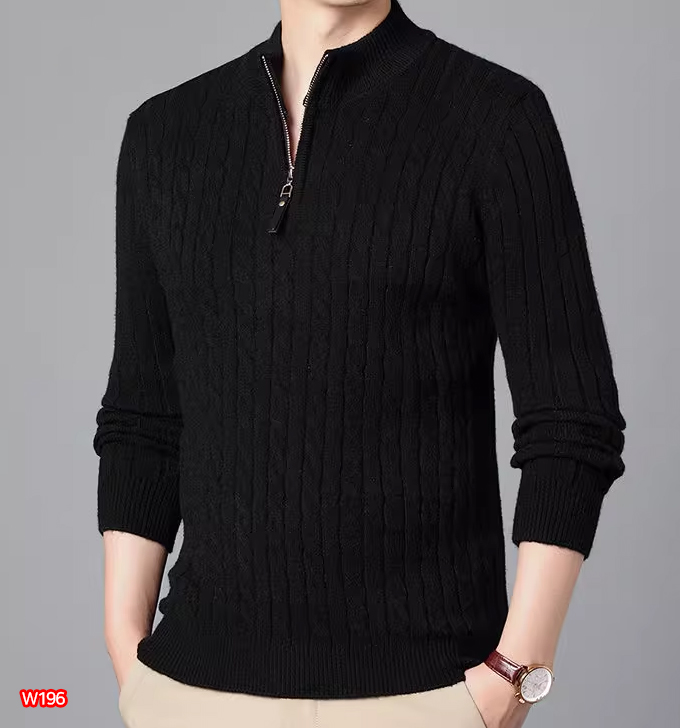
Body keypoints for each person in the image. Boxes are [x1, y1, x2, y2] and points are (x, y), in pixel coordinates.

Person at [93, 1, 627, 726]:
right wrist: (126, 648)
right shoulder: (165, 134)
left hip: (425, 698)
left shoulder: (496, 119)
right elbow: (144, 418)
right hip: (189, 694)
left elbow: (572, 420)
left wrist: (514, 673)